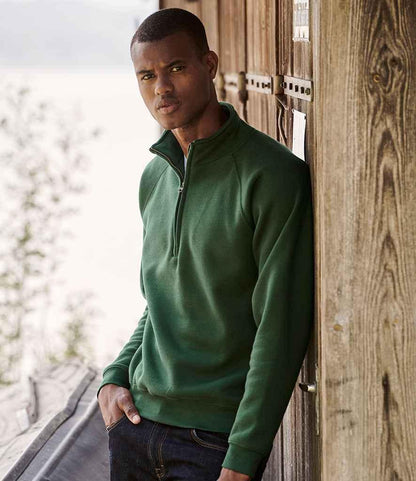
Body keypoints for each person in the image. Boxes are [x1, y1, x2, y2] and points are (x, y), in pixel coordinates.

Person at [97, 7, 314, 481]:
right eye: (147, 76)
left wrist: (244, 454)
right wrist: (113, 378)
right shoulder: (154, 177)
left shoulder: (272, 175)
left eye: (175, 68)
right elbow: (159, 303)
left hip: (211, 443)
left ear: (209, 64)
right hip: (135, 427)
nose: (161, 88)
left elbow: (280, 327)